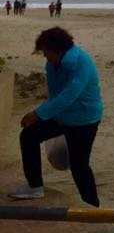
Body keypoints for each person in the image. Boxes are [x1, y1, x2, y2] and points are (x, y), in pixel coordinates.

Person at [8, 27, 103, 206]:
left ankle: (93, 206)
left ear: (57, 49)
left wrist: (38, 114)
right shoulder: (52, 64)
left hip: (84, 120)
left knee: (79, 166)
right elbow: (54, 95)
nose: (44, 55)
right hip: (61, 116)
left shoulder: (81, 62)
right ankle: (35, 187)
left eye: (46, 51)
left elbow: (68, 95)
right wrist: (42, 115)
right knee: (28, 136)